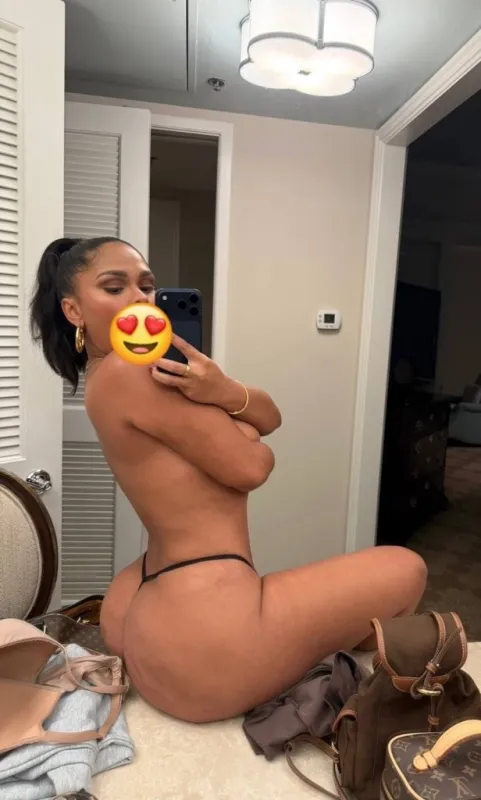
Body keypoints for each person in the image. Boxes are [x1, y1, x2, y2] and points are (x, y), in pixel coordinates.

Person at [30, 237, 427, 723]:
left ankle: (325, 665)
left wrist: (221, 389)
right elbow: (252, 465)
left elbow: (270, 417)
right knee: (407, 568)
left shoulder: (108, 377)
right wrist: (244, 430)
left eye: (146, 286)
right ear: (73, 310)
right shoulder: (131, 370)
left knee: (349, 608)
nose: (138, 299)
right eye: (114, 288)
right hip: (201, 632)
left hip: (141, 602)